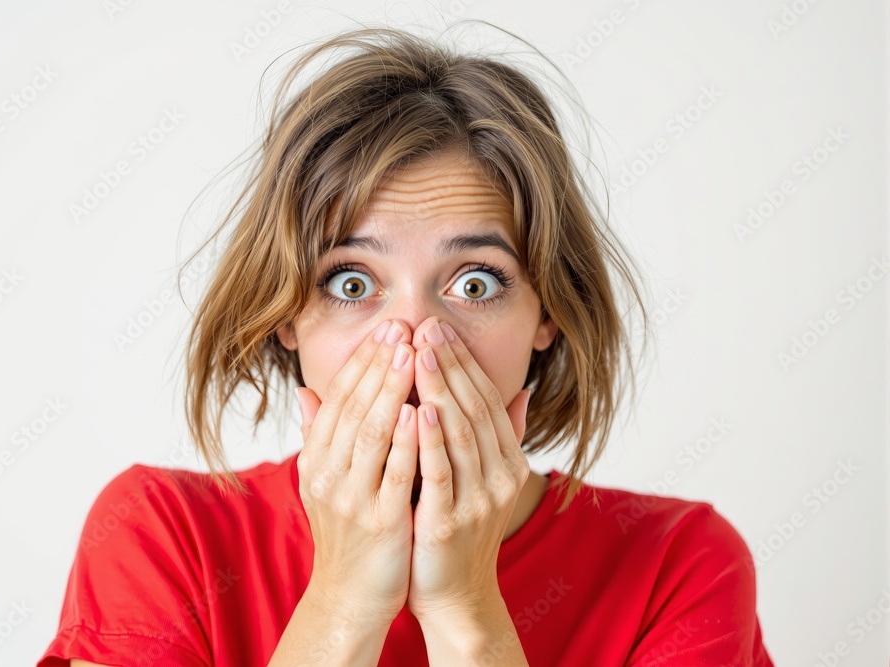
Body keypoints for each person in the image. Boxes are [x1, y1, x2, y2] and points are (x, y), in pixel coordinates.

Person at [38, 23, 776, 666]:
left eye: (476, 283)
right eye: (352, 282)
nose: (418, 338)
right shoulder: (160, 533)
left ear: (547, 313)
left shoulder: (681, 564)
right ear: (287, 313)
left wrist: (464, 606)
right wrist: (344, 600)